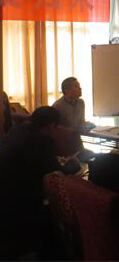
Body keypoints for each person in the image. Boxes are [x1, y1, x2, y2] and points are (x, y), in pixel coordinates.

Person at [0, 106, 62, 259]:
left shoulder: (17, 130)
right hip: (23, 201)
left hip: (5, 195)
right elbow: (57, 173)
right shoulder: (44, 140)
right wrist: (72, 164)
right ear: (51, 125)